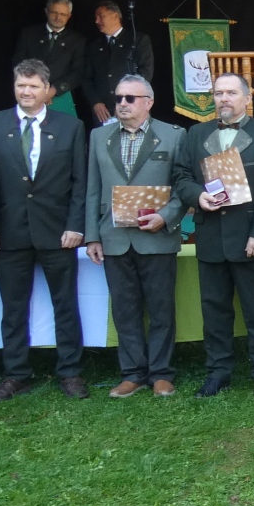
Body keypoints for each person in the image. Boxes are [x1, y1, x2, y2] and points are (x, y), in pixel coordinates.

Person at [0, 60, 89, 403]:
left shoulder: (71, 127)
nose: (26, 92)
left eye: (33, 86)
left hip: (58, 233)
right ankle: (16, 374)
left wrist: (76, 225)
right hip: (9, 233)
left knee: (65, 305)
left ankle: (70, 372)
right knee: (13, 309)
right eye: (21, 85)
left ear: (47, 90)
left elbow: (80, 182)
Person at [173, 71, 254, 400]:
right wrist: (198, 196)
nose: (224, 98)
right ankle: (218, 373)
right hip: (210, 236)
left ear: (246, 98)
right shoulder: (196, 134)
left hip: (251, 238)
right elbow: (181, 177)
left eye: (231, 93)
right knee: (214, 312)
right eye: (218, 93)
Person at [85, 75, 185, 398]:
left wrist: (166, 216)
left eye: (130, 98)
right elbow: (92, 190)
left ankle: (161, 373)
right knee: (124, 310)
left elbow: (183, 187)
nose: (122, 104)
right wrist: (92, 236)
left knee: (161, 309)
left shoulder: (174, 135)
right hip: (114, 237)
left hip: (157, 236)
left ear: (149, 102)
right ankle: (132, 373)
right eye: (118, 98)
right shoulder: (99, 136)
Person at [78, 1, 155, 125]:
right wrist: (95, 102)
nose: (97, 21)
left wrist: (126, 101)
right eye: (95, 17)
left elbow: (145, 72)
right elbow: (87, 78)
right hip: (104, 113)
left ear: (115, 16)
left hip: (133, 107)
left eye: (101, 16)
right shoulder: (94, 46)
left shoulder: (137, 40)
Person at [10, 0, 86, 118]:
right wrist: (36, 87)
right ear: (46, 11)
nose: (58, 17)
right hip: (29, 93)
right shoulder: (29, 33)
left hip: (60, 97)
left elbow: (78, 72)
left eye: (63, 14)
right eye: (54, 12)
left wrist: (53, 90)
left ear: (69, 16)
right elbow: (18, 62)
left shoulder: (77, 40)